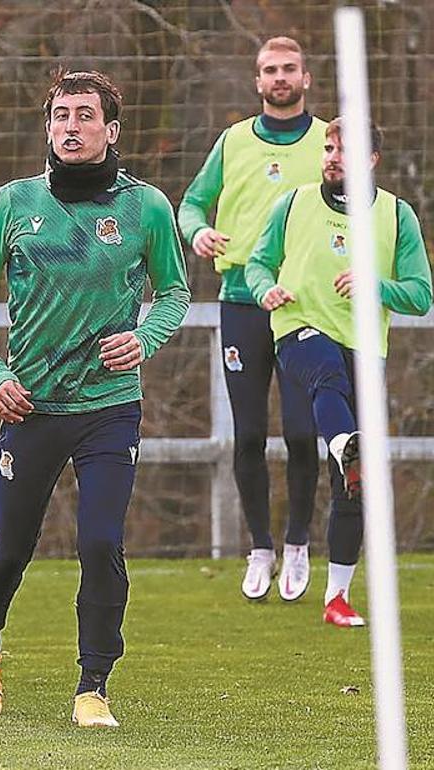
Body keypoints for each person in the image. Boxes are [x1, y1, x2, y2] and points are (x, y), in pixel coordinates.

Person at [0, 71, 189, 725]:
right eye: (60, 114)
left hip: (111, 408)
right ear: (48, 127)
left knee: (99, 541)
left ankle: (93, 686)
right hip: (32, 408)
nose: (71, 126)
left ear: (111, 131)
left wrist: (145, 338)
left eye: (85, 115)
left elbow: (173, 294)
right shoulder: (13, 201)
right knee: (8, 549)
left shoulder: (146, 207)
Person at [244, 118, 431, 628]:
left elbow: (420, 294)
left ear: (371, 159)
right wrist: (265, 290)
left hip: (365, 347)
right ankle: (346, 440)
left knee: (353, 485)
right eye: (327, 147)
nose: (331, 156)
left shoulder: (397, 215)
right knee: (327, 377)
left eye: (344, 150)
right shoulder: (293, 204)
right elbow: (257, 265)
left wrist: (377, 286)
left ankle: (337, 599)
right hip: (299, 329)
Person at [178, 37, 327, 602]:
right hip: (241, 298)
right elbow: (192, 203)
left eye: (290, 67)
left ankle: (297, 544)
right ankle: (260, 547)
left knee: (301, 431)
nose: (281, 77)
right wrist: (199, 231)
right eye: (270, 70)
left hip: (302, 303)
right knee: (247, 434)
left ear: (306, 77)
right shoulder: (234, 141)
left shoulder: (325, 142)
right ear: (257, 80)